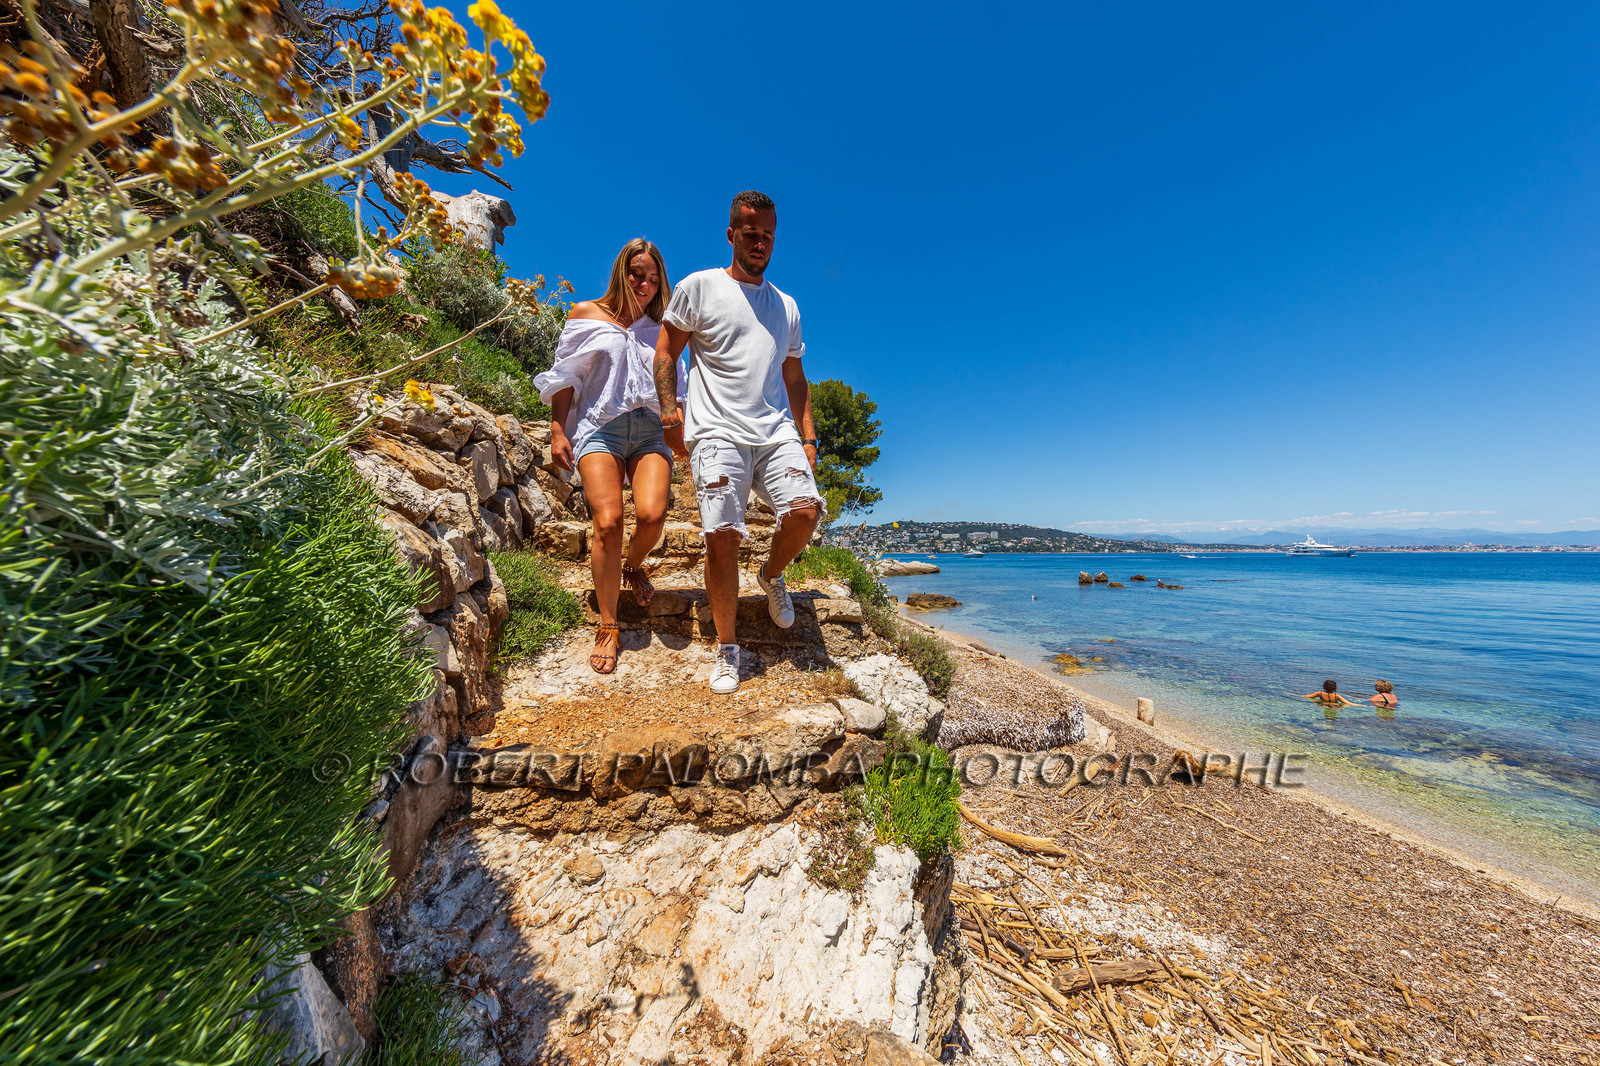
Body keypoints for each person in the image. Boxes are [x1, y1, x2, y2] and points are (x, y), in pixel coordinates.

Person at [653, 190, 824, 694]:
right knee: (722, 536)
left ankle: (771, 575)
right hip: (716, 430)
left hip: (774, 431)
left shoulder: (786, 306)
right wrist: (669, 410)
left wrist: (809, 437)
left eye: (768, 235)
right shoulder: (698, 287)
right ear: (732, 234)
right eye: (750, 233)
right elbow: (667, 352)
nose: (760, 243)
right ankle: (727, 648)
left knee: (805, 511)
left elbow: (796, 378)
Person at [535, 238, 684, 674]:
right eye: (638, 274)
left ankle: (633, 565)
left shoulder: (664, 329)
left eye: (654, 279)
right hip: (600, 427)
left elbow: (675, 386)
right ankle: (608, 624)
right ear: (622, 270)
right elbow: (567, 377)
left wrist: (684, 433)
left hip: (650, 429)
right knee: (608, 522)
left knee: (653, 515)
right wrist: (558, 429)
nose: (645, 284)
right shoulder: (586, 314)